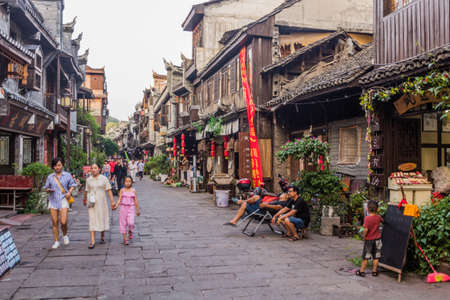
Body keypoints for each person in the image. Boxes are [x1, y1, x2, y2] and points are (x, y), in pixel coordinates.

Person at [44, 158, 77, 249]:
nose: (57, 167)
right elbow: (46, 187)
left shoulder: (67, 175)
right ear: (53, 167)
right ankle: (56, 241)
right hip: (53, 200)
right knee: (54, 222)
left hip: (63, 199)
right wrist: (48, 190)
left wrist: (69, 192)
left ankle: (65, 234)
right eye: (55, 165)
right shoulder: (50, 177)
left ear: (62, 165)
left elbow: (73, 185)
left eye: (59, 165)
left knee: (63, 221)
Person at [83, 163, 115, 249]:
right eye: (92, 168)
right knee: (92, 219)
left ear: (99, 169)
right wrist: (84, 199)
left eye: (95, 168)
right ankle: (92, 241)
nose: (93, 170)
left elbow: (109, 190)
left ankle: (102, 236)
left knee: (102, 217)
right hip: (92, 202)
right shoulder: (88, 180)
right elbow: (86, 190)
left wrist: (112, 202)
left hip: (101, 202)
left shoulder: (104, 179)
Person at [356, 200, 384, 277]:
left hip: (369, 241)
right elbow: (383, 221)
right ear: (377, 209)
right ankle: (374, 271)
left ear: (367, 209)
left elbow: (366, 229)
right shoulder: (378, 217)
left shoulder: (367, 219)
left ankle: (361, 271)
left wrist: (364, 236)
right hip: (378, 240)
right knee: (376, 256)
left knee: (366, 256)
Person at [113, 176, 141, 245]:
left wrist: (138, 210)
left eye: (129, 181)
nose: (128, 183)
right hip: (123, 208)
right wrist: (116, 206)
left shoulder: (133, 190)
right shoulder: (122, 190)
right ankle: (125, 239)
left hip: (131, 208)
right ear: (124, 182)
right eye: (126, 181)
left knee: (131, 222)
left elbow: (136, 201)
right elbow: (119, 199)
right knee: (123, 223)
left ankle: (130, 230)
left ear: (131, 182)